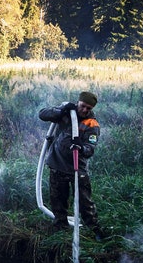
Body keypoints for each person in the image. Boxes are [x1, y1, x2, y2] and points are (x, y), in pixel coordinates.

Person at [38, 91, 104, 240]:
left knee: (85, 202)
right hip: (56, 164)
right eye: (83, 106)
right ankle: (60, 229)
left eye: (89, 108)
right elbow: (42, 114)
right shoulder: (66, 113)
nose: (85, 110)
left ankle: (94, 230)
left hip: (76, 168)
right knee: (58, 200)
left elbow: (90, 148)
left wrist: (81, 147)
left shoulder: (91, 124)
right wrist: (60, 110)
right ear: (78, 102)